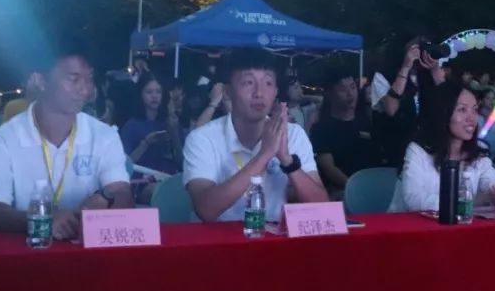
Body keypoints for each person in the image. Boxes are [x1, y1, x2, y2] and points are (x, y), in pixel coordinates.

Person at [0, 42, 134, 238]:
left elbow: (122, 193)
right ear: (40, 81)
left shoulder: (104, 136)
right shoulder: (1, 143)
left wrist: (106, 199)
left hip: (87, 251)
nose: (85, 90)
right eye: (74, 79)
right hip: (25, 252)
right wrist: (42, 220)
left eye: (89, 79)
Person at [183, 49, 327, 222]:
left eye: (268, 83)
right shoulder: (202, 138)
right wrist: (264, 154)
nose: (259, 93)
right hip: (216, 238)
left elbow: (323, 207)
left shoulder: (293, 134)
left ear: (275, 91)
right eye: (248, 82)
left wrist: (287, 161)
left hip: (271, 236)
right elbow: (206, 209)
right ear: (227, 91)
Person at [388, 81, 495, 212]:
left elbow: (492, 182)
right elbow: (414, 200)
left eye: (475, 110)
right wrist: (467, 202)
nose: (472, 118)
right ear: (443, 113)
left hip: (457, 223)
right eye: (462, 109)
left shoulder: (478, 149)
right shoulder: (418, 150)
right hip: (410, 224)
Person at [372, 39, 445, 168]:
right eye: (416, 48)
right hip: (396, 146)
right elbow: (391, 109)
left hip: (426, 145)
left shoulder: (426, 75)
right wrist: (405, 67)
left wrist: (434, 68)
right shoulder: (383, 75)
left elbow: (447, 99)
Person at [310, 70, 376, 199]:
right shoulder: (321, 129)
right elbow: (329, 168)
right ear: (330, 94)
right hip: (341, 191)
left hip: (372, 187)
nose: (350, 94)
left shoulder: (367, 123)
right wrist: (355, 188)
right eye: (343, 89)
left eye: (353, 87)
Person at [120, 75, 182, 175]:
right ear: (140, 94)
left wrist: (174, 133)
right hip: (141, 178)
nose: (154, 96)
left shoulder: (170, 122)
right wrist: (146, 143)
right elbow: (124, 165)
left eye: (158, 92)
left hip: (168, 176)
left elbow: (182, 162)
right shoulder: (131, 126)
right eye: (149, 92)